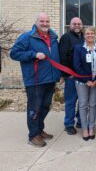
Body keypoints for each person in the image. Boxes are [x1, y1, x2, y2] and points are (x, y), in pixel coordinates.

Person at [10, 12, 60, 147]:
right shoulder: (27, 37)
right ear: (36, 22)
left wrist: (58, 75)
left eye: (47, 21)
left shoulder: (53, 37)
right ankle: (33, 135)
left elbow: (56, 57)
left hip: (50, 79)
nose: (45, 24)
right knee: (35, 108)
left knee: (45, 106)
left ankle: (39, 129)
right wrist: (33, 54)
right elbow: (14, 53)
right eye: (42, 21)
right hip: (35, 80)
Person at [73, 27, 96, 141]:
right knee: (83, 105)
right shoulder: (78, 48)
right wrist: (87, 80)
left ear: (95, 34)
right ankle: (84, 128)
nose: (90, 35)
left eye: (92, 33)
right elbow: (76, 66)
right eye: (87, 33)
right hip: (82, 82)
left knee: (92, 105)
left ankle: (91, 127)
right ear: (84, 35)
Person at [59, 17, 84, 135]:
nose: (77, 25)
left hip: (83, 76)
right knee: (71, 101)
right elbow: (62, 57)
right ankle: (69, 124)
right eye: (74, 24)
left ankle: (80, 120)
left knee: (82, 100)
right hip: (71, 76)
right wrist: (66, 74)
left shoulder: (84, 37)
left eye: (79, 24)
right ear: (70, 25)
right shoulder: (66, 38)